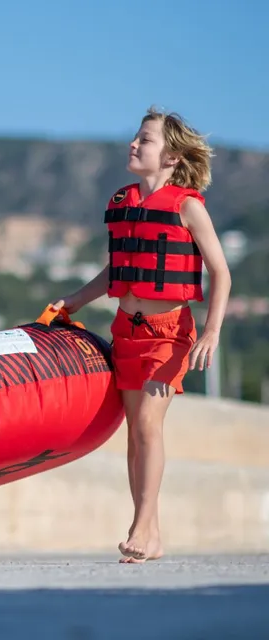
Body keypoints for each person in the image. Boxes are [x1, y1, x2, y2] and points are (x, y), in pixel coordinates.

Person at [50, 107, 231, 563]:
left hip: (168, 335)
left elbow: (221, 273)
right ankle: (149, 531)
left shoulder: (187, 207)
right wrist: (74, 300)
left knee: (149, 425)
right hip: (125, 332)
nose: (134, 144)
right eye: (136, 137)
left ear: (171, 157)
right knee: (135, 433)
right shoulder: (124, 202)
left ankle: (141, 527)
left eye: (145, 140)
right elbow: (119, 269)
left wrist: (211, 331)